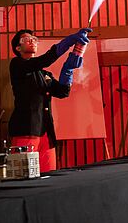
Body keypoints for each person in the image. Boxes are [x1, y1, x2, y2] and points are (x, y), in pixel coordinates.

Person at [7, 27, 91, 173]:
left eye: (34, 39)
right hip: (26, 130)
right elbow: (44, 60)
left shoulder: (44, 73)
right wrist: (68, 41)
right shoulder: (17, 65)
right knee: (24, 176)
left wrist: (68, 69)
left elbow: (62, 91)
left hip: (46, 132)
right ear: (18, 47)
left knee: (49, 175)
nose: (32, 41)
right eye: (27, 39)